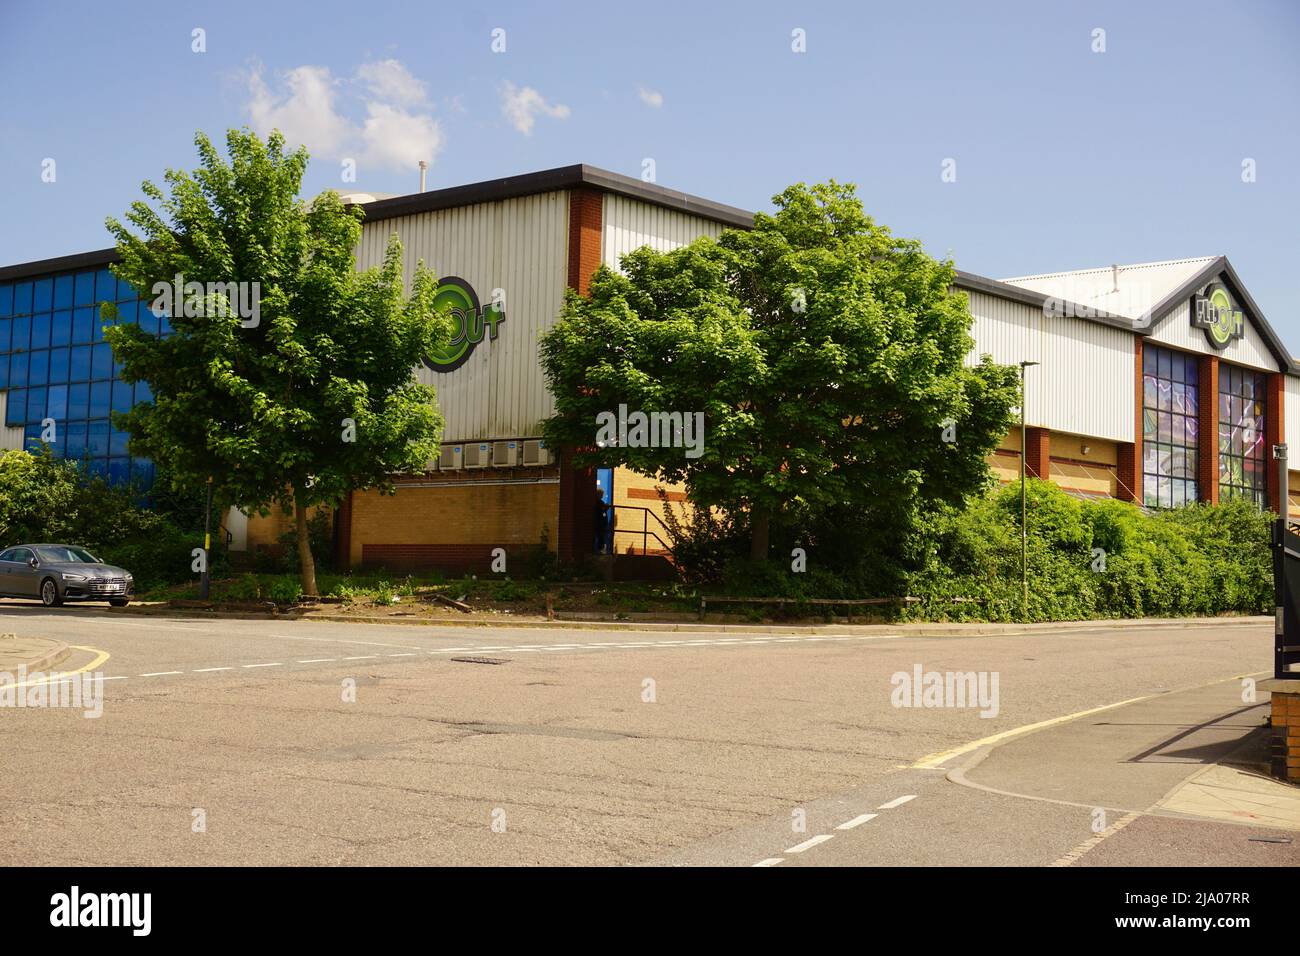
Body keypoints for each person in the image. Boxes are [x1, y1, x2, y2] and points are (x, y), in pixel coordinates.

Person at [594, 488, 610, 554]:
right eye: (601, 494)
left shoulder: (597, 502)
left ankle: (598, 549)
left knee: (600, 536)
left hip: (599, 522)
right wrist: (605, 509)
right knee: (601, 536)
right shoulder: (600, 503)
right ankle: (599, 549)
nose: (602, 495)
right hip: (600, 523)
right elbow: (602, 513)